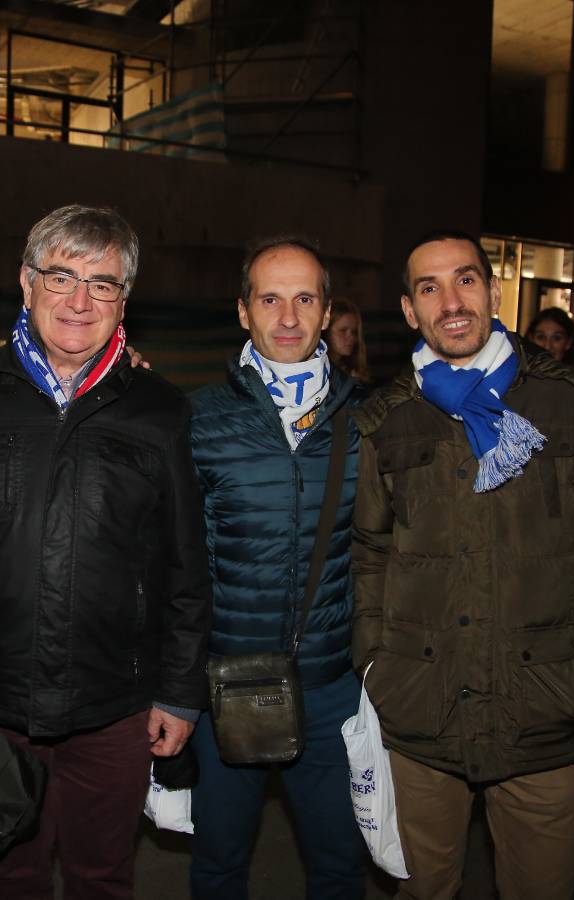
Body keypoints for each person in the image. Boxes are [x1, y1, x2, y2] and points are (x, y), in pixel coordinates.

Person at [0, 205, 211, 900]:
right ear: (25, 282)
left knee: (102, 877)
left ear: (122, 299)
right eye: (60, 277)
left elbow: (185, 567)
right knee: (9, 876)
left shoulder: (160, 410)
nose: (78, 301)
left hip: (116, 706)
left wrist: (179, 692)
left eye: (102, 284)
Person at [352, 230, 574, 900]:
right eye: (427, 287)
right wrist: (377, 665)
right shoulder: (387, 420)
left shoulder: (571, 409)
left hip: (539, 715)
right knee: (421, 890)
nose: (449, 300)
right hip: (421, 714)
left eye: (464, 279)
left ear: (491, 290)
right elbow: (368, 551)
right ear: (408, 310)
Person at [188, 237, 366, 900]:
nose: (286, 316)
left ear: (325, 313)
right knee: (218, 864)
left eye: (304, 298)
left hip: (329, 689)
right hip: (223, 686)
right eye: (269, 298)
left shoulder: (367, 418)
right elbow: (174, 562)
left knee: (338, 866)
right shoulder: (198, 418)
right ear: (242, 311)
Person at [524, 306, 574, 378]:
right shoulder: (517, 377)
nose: (547, 346)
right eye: (541, 337)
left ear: (568, 342)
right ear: (531, 338)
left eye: (557, 338)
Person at [327, 297, 372, 384]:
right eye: (343, 331)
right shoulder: (322, 374)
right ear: (326, 331)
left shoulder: (352, 370)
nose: (351, 338)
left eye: (354, 332)